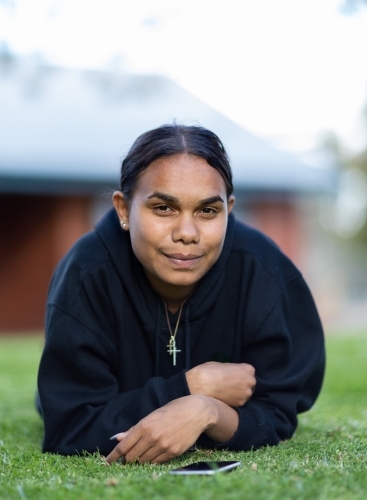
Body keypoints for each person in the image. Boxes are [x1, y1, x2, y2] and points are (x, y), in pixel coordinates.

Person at [37, 124, 325, 465]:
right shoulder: (87, 273)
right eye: (163, 208)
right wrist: (189, 386)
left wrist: (205, 409)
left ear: (229, 209)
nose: (187, 233)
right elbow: (71, 426)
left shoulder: (264, 271)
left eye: (207, 211)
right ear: (124, 210)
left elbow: (278, 413)